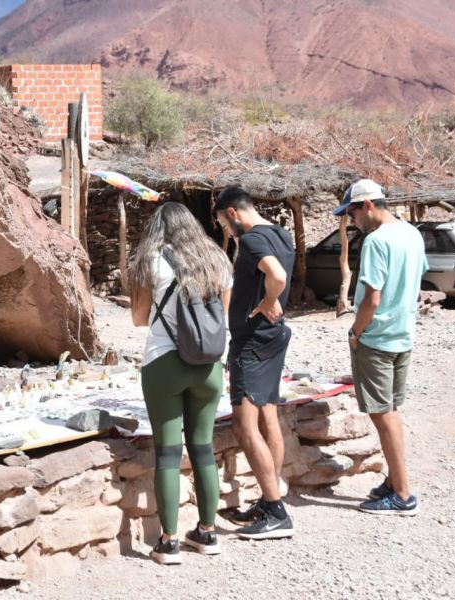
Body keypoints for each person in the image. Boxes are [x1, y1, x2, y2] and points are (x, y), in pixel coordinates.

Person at [129, 202, 233, 564]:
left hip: (164, 362)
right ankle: (207, 532)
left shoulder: (151, 262)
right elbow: (223, 314)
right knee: (203, 448)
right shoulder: (217, 259)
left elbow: (139, 318)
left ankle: (169, 541)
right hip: (209, 366)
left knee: (169, 453)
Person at [333, 179, 426, 516]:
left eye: (353, 213)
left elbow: (372, 298)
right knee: (391, 413)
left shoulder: (376, 241)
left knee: (382, 415)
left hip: (377, 339)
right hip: (403, 335)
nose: (352, 220)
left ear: (368, 205)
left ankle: (402, 493)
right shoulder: (411, 234)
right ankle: (395, 481)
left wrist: (355, 332)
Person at [214, 186, 295, 540]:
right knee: (267, 414)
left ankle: (276, 511)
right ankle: (268, 498)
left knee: (244, 427)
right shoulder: (281, 234)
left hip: (253, 342)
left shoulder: (251, 241)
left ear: (232, 212)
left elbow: (276, 276)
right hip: (272, 338)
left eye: (224, 225)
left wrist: (266, 300)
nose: (228, 233)